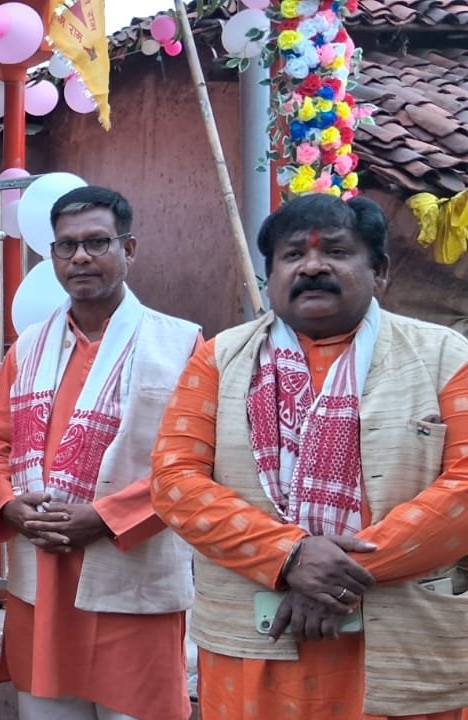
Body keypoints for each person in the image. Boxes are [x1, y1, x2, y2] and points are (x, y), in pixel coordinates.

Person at [151, 193, 468, 720]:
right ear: (270, 277)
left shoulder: (444, 355)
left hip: (404, 642)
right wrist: (290, 557)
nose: (313, 266)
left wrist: (336, 573)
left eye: (336, 252)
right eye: (293, 255)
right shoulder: (220, 359)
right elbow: (174, 480)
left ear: (380, 270)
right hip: (254, 642)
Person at [0, 187, 199, 720]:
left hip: (130, 574)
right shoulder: (28, 347)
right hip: (42, 575)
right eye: (66, 246)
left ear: (129, 248)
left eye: (97, 242)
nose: (79, 257)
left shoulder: (181, 345)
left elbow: (192, 462)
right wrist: (9, 505)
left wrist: (104, 517)